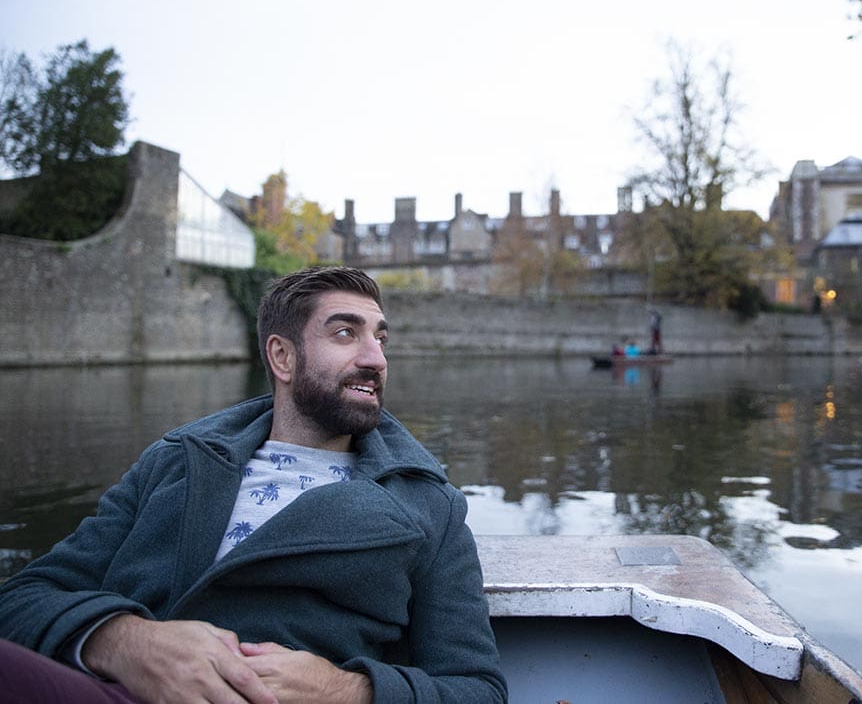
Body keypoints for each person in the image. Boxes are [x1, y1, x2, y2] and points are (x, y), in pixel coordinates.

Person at [0, 266, 507, 704]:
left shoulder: (427, 502)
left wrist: (346, 690)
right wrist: (126, 642)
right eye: (346, 334)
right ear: (282, 358)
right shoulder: (175, 460)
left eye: (381, 338)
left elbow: (477, 688)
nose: (376, 358)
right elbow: (23, 597)